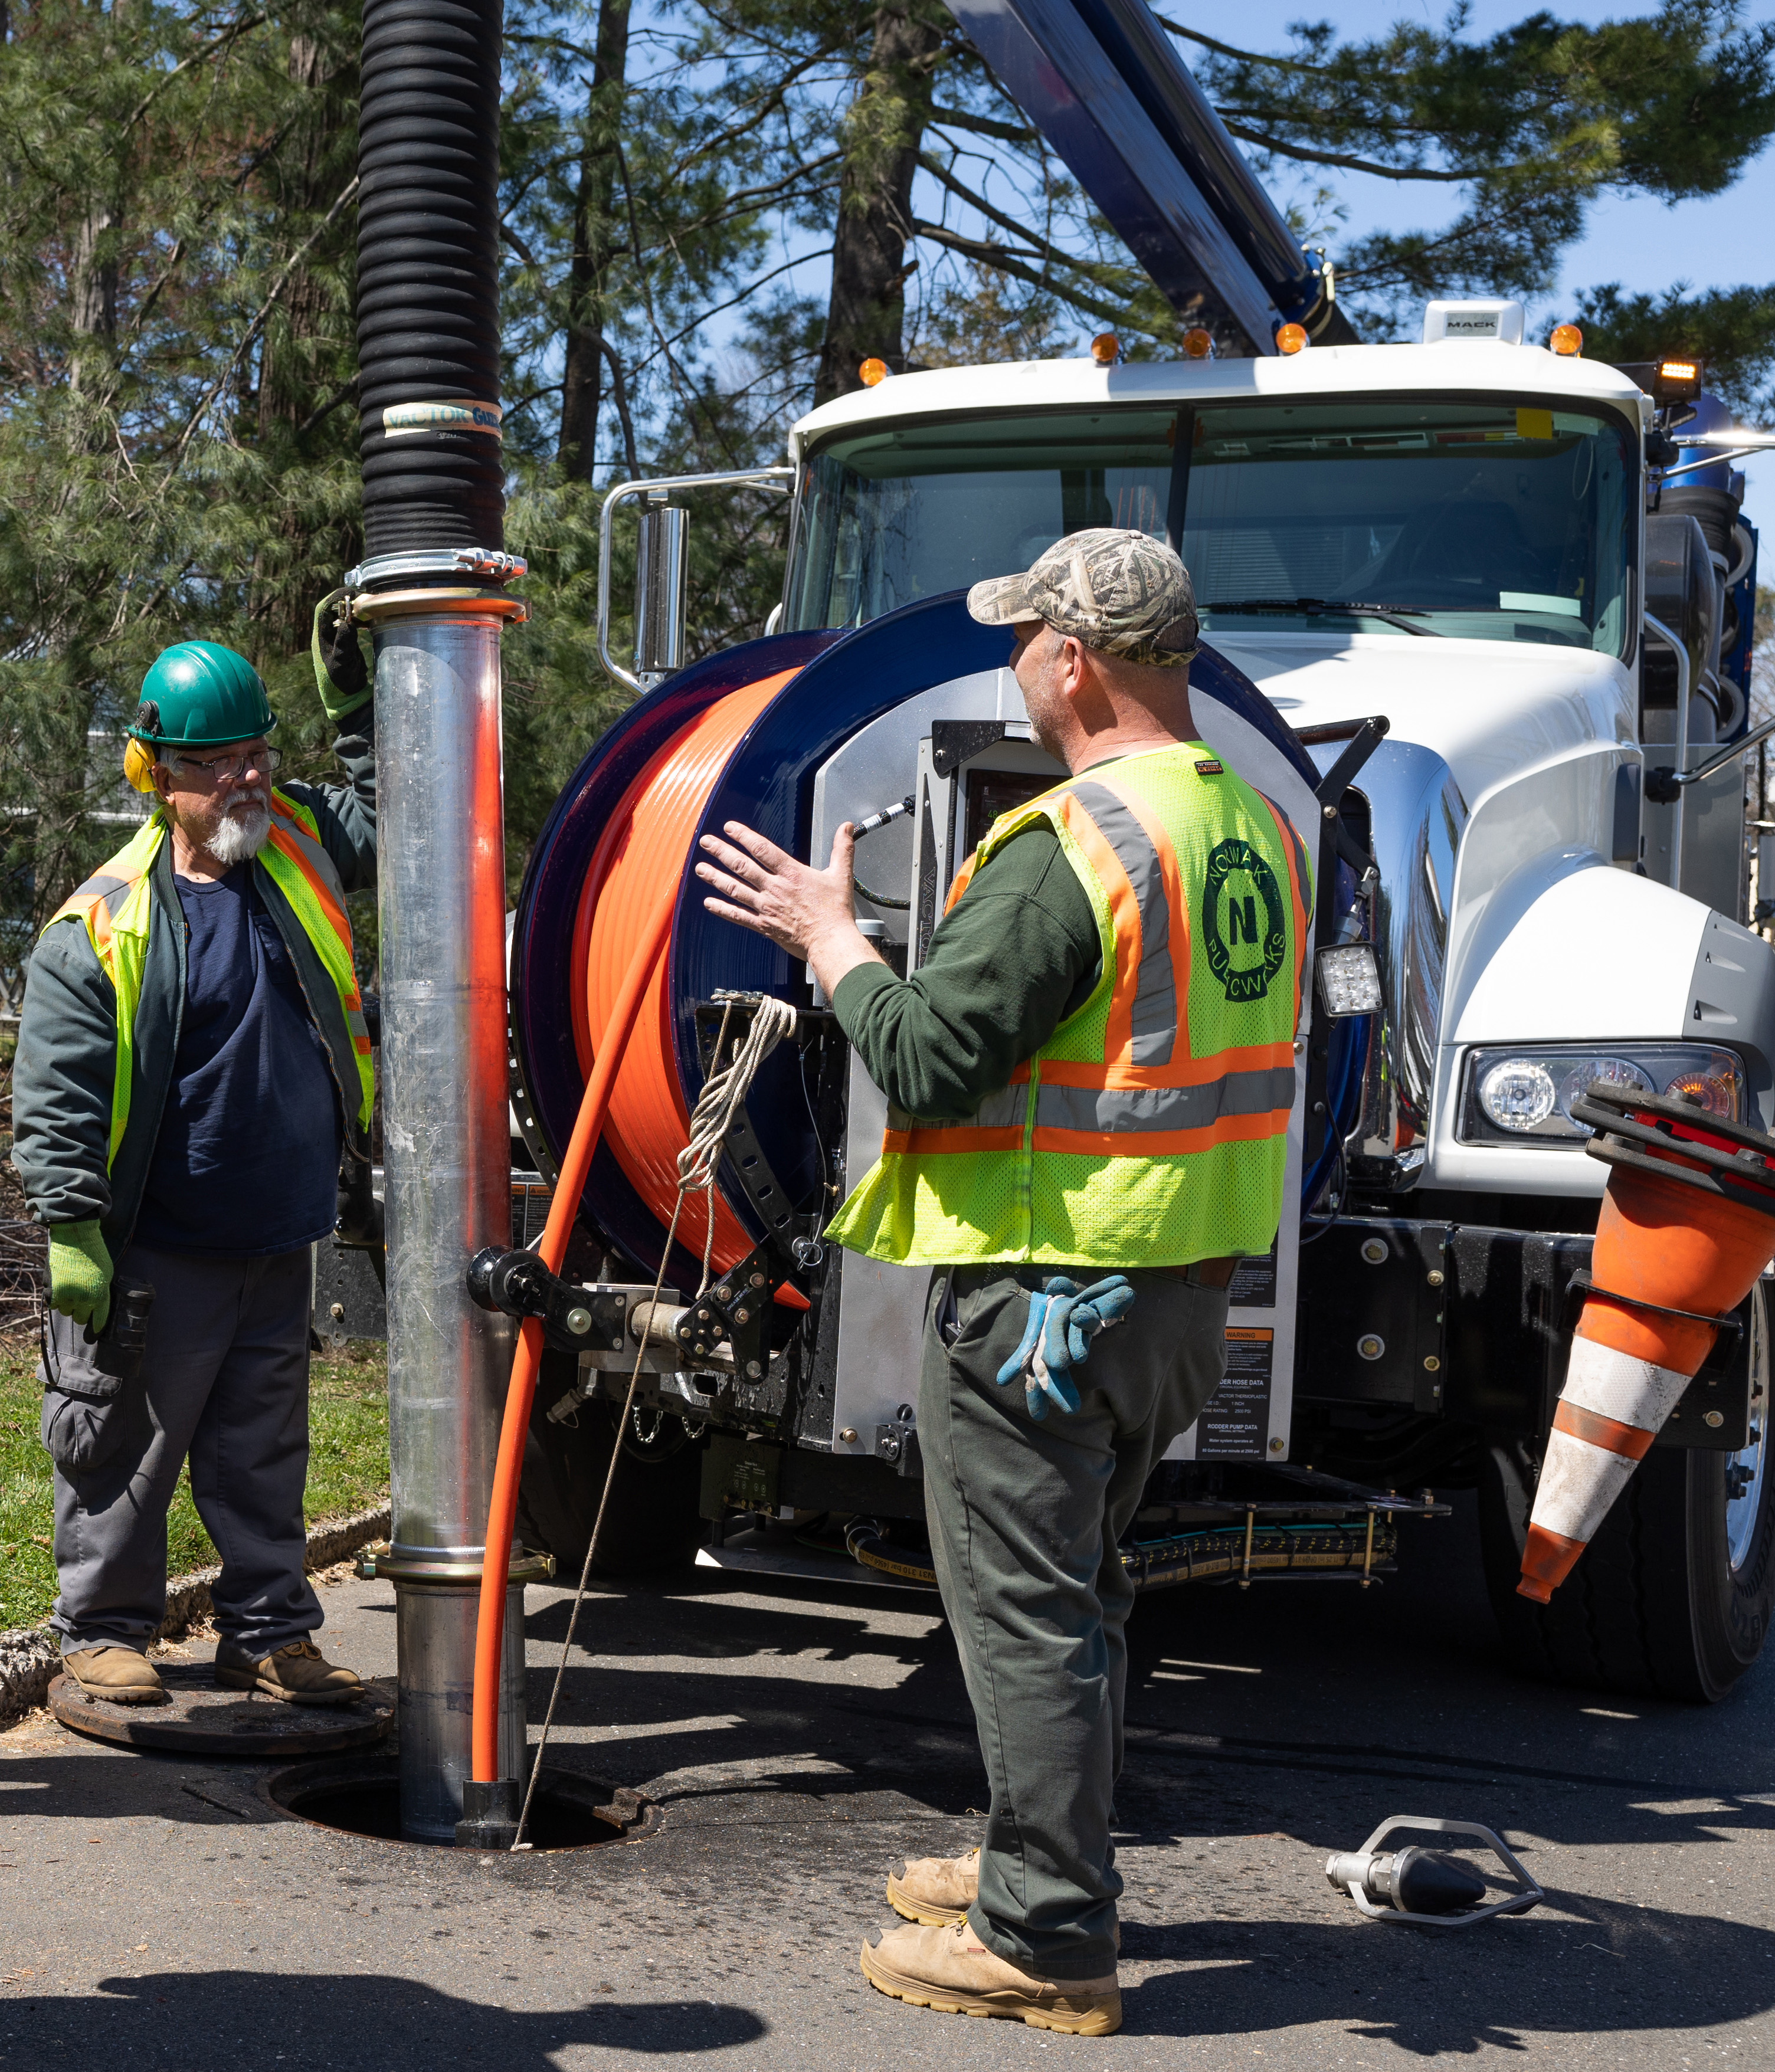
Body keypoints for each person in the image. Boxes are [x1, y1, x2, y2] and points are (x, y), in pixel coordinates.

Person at [696, 529, 1310, 2037]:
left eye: (1023, 640)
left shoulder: (1071, 844)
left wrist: (830, 938)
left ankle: (1044, 1937)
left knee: (1027, 1613)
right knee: (1078, 1596)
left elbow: (918, 1056)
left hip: (1047, 1298)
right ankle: (1032, 1861)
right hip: (1175, 1288)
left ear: (1071, 661)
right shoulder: (1248, 828)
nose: (1015, 665)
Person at [11, 602, 378, 1707]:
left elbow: (398, 811)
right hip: (155, 1246)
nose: (245, 781)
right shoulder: (106, 924)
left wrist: (360, 708)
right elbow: (58, 1090)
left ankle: (269, 1631)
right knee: (123, 1446)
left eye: (258, 753)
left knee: (263, 1449)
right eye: (216, 764)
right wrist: (73, 1228)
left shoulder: (295, 853)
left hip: (277, 1232)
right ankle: (103, 1629)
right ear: (154, 774)